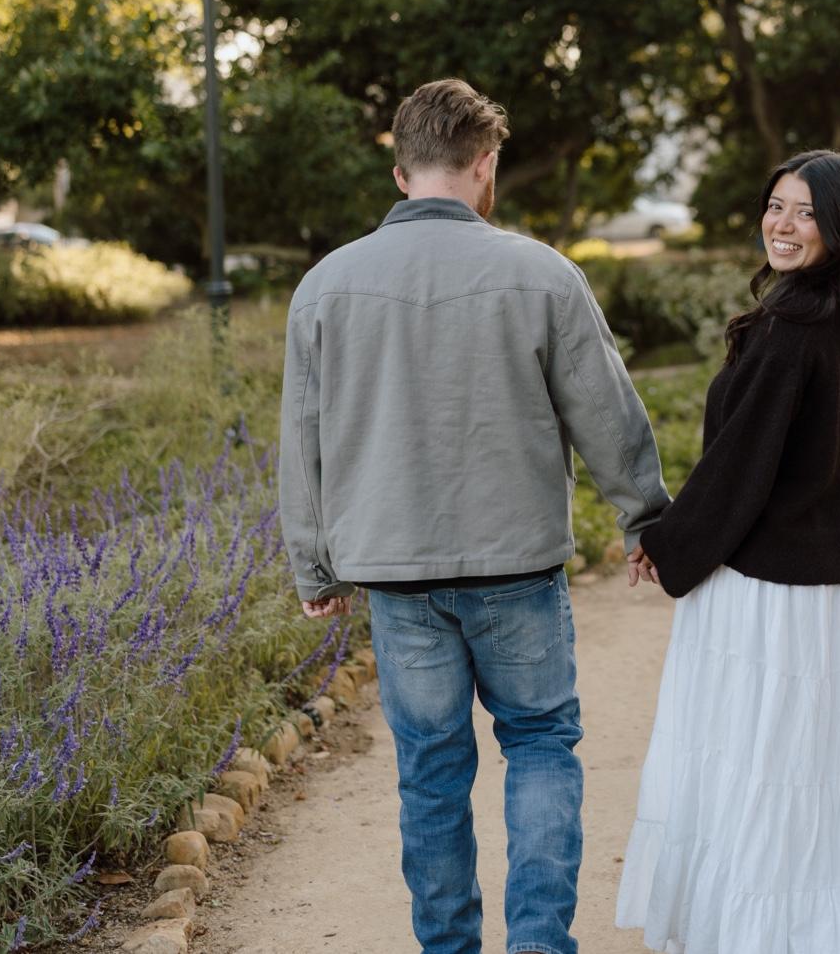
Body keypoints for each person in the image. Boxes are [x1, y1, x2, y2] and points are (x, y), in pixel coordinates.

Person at [277, 78, 671, 954]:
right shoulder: (543, 274)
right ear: (486, 164)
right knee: (540, 746)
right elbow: (608, 414)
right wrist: (646, 521)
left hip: (397, 577)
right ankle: (538, 945)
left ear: (400, 172)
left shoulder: (326, 286)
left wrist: (314, 562)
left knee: (430, 772)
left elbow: (301, 438)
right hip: (517, 568)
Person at [617, 150, 840, 953]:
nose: (783, 225)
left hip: (764, 591)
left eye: (806, 212)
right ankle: (820, 926)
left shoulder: (790, 328)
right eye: (776, 206)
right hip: (827, 589)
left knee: (757, 759)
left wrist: (667, 545)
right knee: (810, 761)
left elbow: (740, 466)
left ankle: (761, 933)